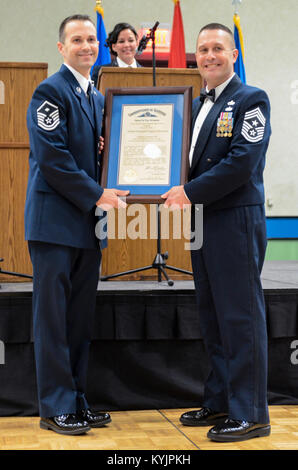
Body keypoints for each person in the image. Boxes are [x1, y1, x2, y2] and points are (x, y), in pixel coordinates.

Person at [161, 23, 271, 443]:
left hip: (234, 220)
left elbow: (242, 162)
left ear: (234, 53)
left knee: (240, 316)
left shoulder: (251, 99)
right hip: (202, 221)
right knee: (212, 314)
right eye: (203, 49)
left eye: (217, 49)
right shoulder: (195, 103)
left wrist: (188, 191)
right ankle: (222, 398)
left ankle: (250, 413)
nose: (209, 56)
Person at [25, 14, 128, 435]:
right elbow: (53, 160)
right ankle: (55, 406)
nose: (87, 46)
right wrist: (99, 194)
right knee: (53, 319)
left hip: (86, 226)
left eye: (92, 39)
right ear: (61, 47)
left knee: (78, 320)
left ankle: (77, 399)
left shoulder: (94, 95)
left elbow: (84, 154)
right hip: (55, 225)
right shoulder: (49, 91)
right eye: (77, 39)